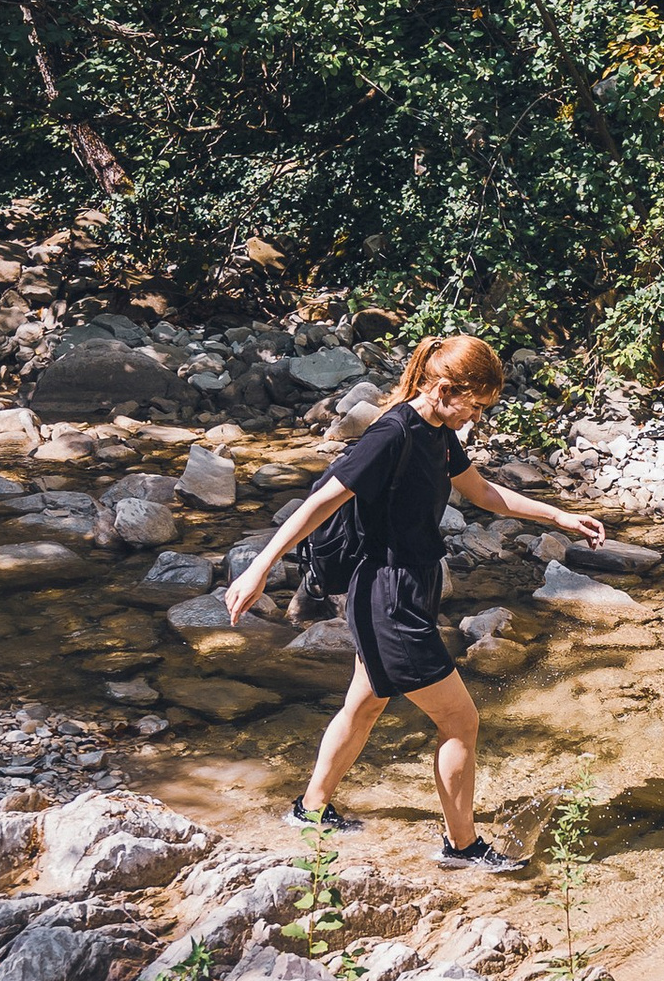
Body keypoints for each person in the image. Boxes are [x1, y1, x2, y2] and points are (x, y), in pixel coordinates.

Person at [224, 332, 604, 870]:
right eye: (473, 404)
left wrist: (557, 516)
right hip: (387, 595)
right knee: (462, 723)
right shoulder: (393, 432)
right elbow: (319, 502)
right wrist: (262, 567)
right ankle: (463, 847)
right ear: (445, 388)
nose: (475, 415)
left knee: (366, 703)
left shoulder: (439, 432)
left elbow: (482, 493)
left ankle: (310, 811)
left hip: (409, 586)